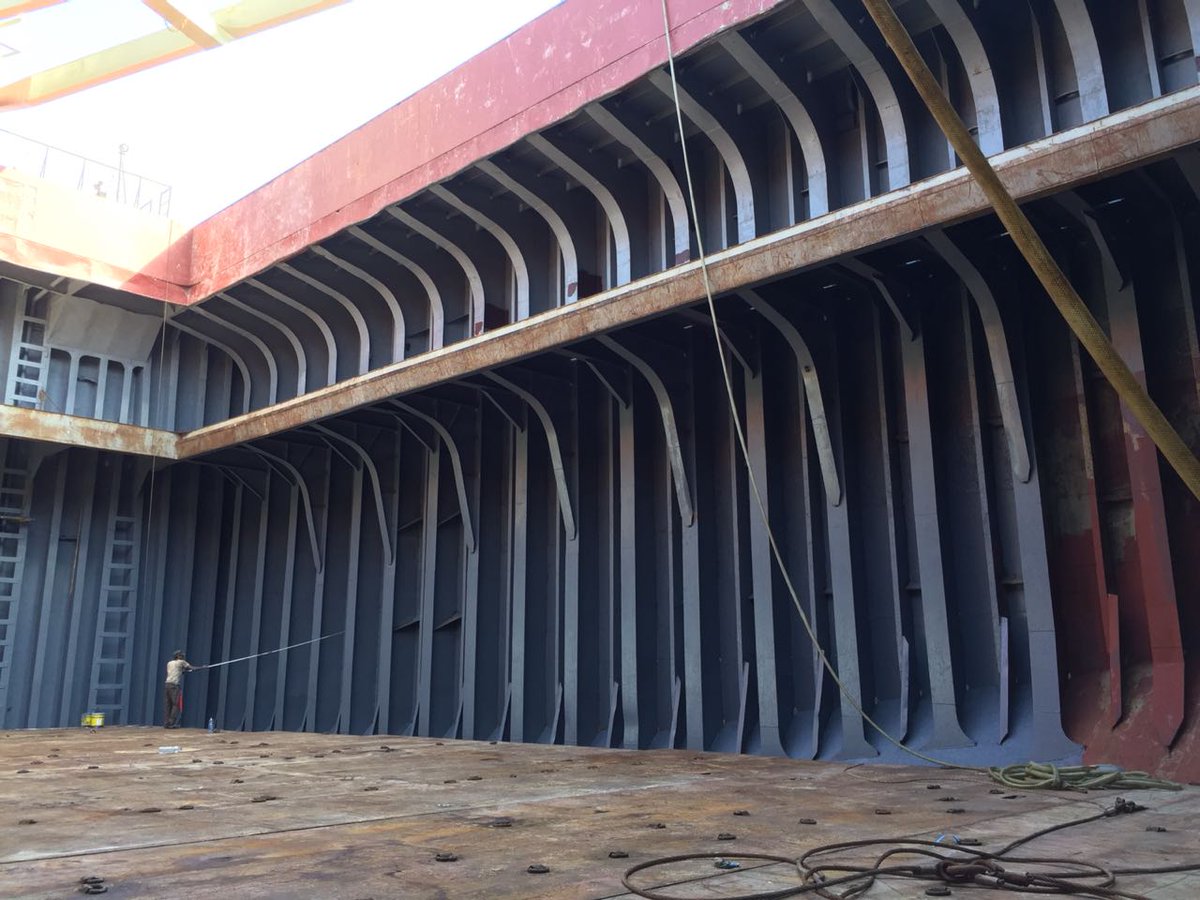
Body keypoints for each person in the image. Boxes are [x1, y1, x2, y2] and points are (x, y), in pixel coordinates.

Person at [163, 651, 194, 729]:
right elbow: (191, 668)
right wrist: (203, 667)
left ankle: (166, 723)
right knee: (175, 704)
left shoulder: (169, 663)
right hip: (174, 686)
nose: (183, 657)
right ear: (178, 656)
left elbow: (176, 671)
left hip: (167, 685)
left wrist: (182, 671)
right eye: (181, 656)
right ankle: (171, 723)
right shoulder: (181, 662)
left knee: (168, 705)